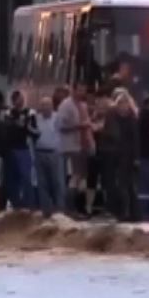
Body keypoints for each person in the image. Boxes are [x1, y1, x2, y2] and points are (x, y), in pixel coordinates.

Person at [104, 89, 141, 221]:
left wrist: (136, 157)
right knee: (115, 184)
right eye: (120, 103)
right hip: (113, 154)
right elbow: (107, 133)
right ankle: (118, 211)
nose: (122, 106)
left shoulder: (132, 118)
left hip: (127, 156)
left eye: (125, 103)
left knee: (126, 185)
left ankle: (128, 212)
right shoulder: (112, 116)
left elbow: (136, 139)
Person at [57, 81, 92, 217]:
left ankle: (79, 208)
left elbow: (87, 124)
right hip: (71, 146)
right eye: (80, 90)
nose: (82, 93)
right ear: (73, 90)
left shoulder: (83, 105)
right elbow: (61, 126)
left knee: (82, 177)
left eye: (84, 90)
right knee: (75, 177)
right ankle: (70, 208)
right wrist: (79, 126)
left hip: (83, 145)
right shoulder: (66, 105)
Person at [4, 90, 38, 210]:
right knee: (13, 178)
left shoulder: (30, 113)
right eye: (18, 99)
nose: (20, 100)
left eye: (21, 98)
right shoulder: (9, 113)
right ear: (13, 101)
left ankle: (29, 203)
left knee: (26, 177)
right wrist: (20, 125)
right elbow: (9, 128)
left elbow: (33, 130)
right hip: (12, 148)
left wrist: (24, 126)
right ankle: (16, 203)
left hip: (24, 148)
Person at [33, 96, 65, 217]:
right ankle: (46, 210)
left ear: (52, 106)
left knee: (57, 182)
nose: (45, 107)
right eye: (43, 105)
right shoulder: (36, 119)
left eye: (48, 105)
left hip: (54, 153)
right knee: (42, 183)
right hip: (39, 152)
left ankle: (60, 210)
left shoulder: (58, 118)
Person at [90, 92, 116, 216]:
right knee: (92, 179)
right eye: (99, 104)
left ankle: (109, 207)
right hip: (95, 152)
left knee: (108, 180)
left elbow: (113, 134)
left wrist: (100, 128)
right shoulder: (93, 116)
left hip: (109, 152)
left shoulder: (112, 119)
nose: (100, 106)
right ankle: (88, 206)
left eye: (104, 104)